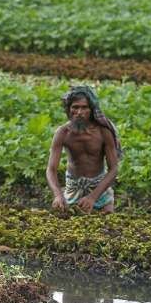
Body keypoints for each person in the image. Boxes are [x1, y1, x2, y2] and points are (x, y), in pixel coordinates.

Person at [46, 85, 121, 214]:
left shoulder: (103, 132)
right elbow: (51, 169)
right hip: (73, 188)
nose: (79, 112)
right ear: (69, 110)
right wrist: (58, 195)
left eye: (84, 107)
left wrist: (92, 197)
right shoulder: (63, 133)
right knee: (67, 221)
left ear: (91, 110)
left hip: (99, 187)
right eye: (75, 107)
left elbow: (113, 169)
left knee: (108, 220)